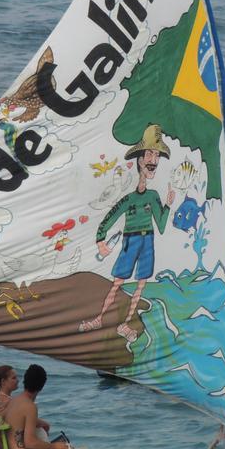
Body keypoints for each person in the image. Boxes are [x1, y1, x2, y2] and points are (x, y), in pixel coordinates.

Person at [78, 124, 175, 346]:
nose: (153, 159)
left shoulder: (153, 196)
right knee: (117, 283)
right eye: (150, 154)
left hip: (148, 240)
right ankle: (99, 319)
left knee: (141, 285)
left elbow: (160, 225)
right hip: (130, 240)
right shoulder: (128, 199)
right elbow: (109, 219)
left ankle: (126, 324)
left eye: (157, 155)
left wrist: (168, 205)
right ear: (140, 160)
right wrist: (101, 240)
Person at [0, 365, 50, 432]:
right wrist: (46, 424)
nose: (18, 380)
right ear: (3, 381)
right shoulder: (10, 402)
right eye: (14, 378)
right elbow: (30, 420)